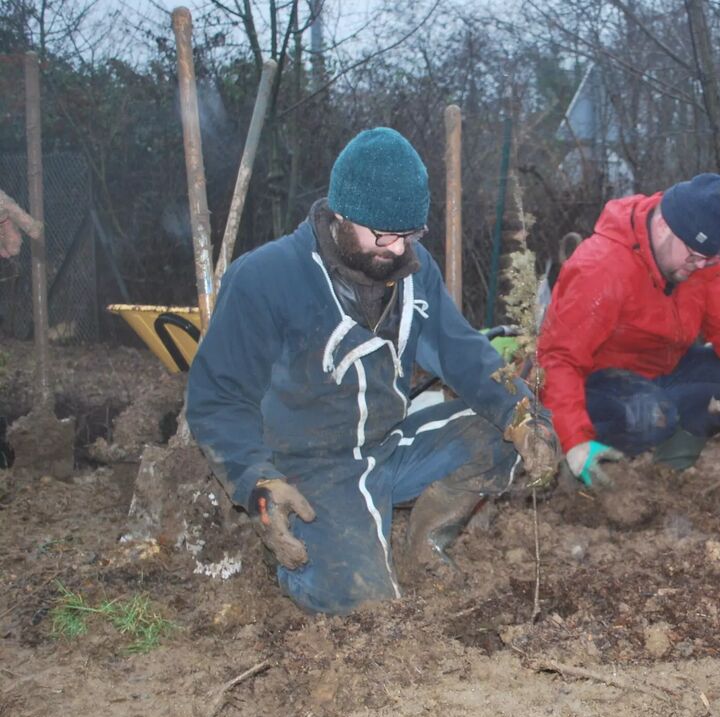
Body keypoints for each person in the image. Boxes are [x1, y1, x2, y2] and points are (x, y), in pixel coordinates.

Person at [187, 127, 558, 614]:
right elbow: (218, 398)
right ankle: (310, 554)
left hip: (388, 447)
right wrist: (255, 480)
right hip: (310, 472)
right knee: (368, 607)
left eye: (409, 235)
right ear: (341, 214)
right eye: (383, 235)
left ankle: (426, 546)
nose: (398, 249)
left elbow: (462, 350)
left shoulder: (413, 270)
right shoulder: (266, 278)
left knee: (498, 435)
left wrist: (522, 412)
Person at [537, 173, 720, 487]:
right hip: (596, 385)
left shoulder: (702, 266)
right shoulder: (602, 268)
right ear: (662, 227)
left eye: (707, 259)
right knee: (653, 414)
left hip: (659, 373)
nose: (699, 266)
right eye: (694, 255)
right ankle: (586, 468)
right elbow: (558, 359)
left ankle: (669, 476)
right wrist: (574, 441)